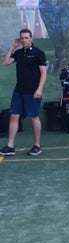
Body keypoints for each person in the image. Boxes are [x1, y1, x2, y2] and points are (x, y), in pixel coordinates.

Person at [0, 28, 48, 156]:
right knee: (14, 116)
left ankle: (37, 145)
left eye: (26, 38)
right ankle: (10, 147)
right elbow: (5, 63)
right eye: (21, 38)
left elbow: (43, 73)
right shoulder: (19, 53)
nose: (24, 40)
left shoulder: (39, 53)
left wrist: (39, 90)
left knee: (33, 117)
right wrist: (12, 47)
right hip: (19, 91)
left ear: (31, 39)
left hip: (33, 92)